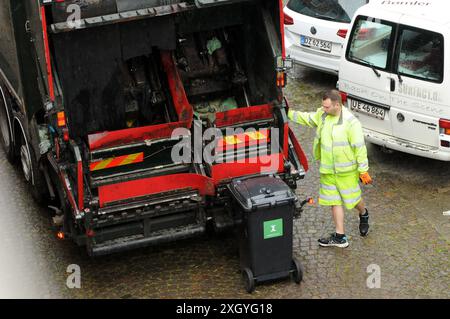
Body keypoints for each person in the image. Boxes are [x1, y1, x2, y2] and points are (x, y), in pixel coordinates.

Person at [288, 90, 372, 248]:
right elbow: (308, 118)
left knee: (353, 200)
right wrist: (288, 113)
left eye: (326, 107)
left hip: (346, 171)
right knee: (335, 201)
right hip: (328, 170)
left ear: (337, 105)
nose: (323, 109)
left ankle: (363, 213)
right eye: (322, 106)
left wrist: (363, 170)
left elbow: (359, 147)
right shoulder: (322, 115)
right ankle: (340, 237)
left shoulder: (351, 123)